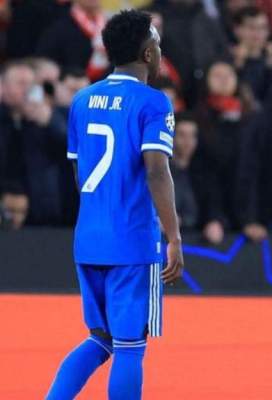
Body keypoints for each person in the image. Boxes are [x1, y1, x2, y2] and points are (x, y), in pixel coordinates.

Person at [46, 10, 184, 399]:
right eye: (158, 44)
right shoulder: (153, 103)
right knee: (129, 346)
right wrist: (173, 236)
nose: (160, 52)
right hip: (132, 239)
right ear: (148, 53)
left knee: (100, 338)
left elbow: (79, 173)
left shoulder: (82, 100)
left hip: (89, 238)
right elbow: (156, 171)